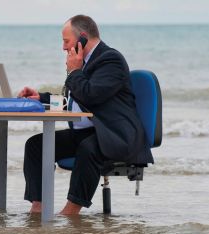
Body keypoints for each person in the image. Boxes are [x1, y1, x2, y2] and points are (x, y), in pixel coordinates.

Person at [18, 15, 154, 215]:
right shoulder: (83, 62)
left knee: (88, 148)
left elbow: (91, 95)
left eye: (66, 41)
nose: (63, 48)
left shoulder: (110, 59)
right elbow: (74, 99)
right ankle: (38, 208)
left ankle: (71, 212)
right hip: (90, 131)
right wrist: (42, 98)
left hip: (116, 135)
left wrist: (74, 71)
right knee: (36, 145)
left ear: (82, 38)